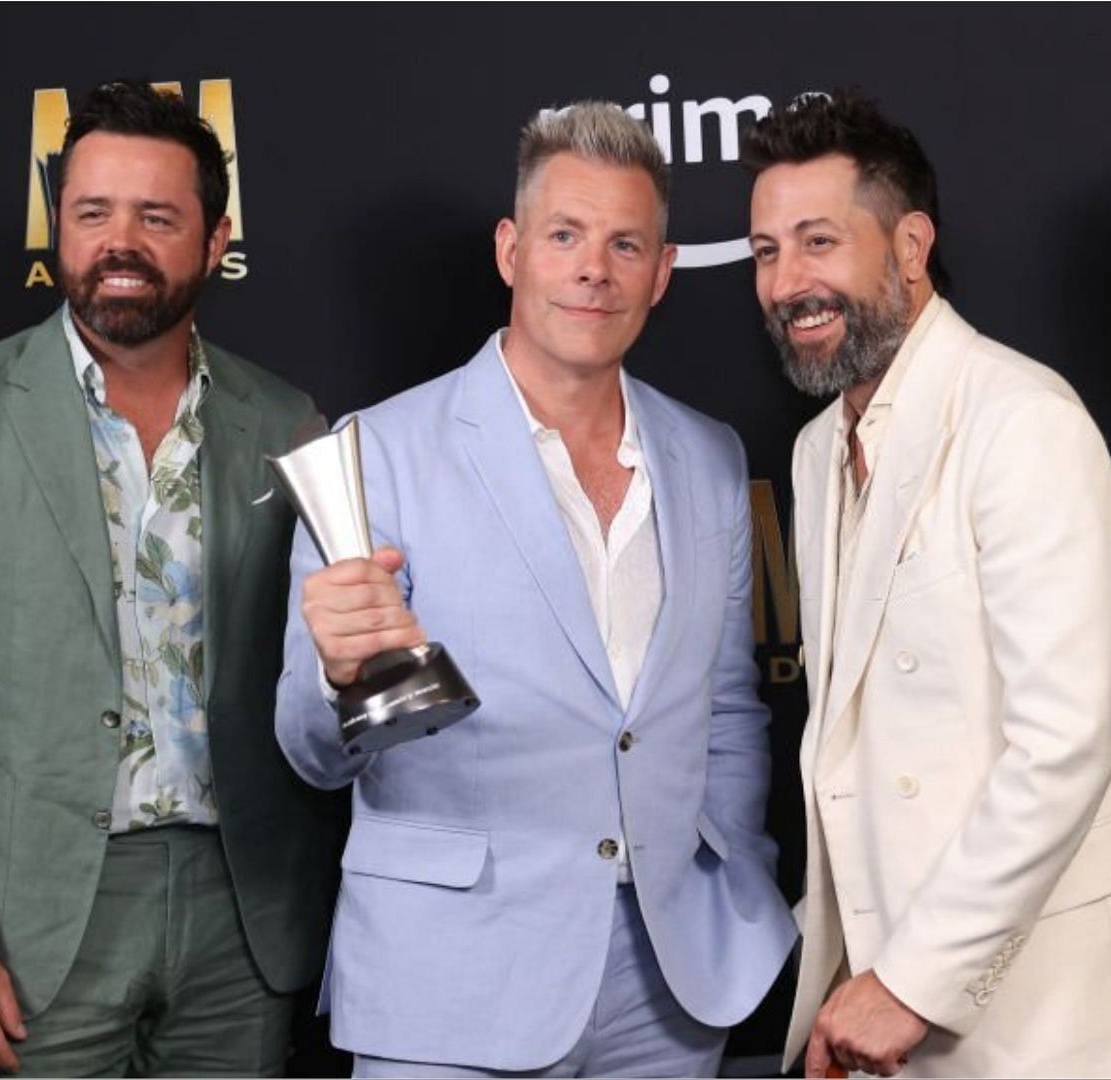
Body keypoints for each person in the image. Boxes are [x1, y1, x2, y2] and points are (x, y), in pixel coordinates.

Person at [275, 102, 795, 1079]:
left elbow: (729, 708)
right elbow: (310, 751)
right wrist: (338, 675)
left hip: (672, 986)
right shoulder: (377, 453)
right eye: (565, 236)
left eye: (624, 243)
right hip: (450, 989)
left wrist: (738, 875)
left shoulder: (710, 458)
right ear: (512, 252)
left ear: (662, 271)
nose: (593, 269)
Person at [0, 80, 338, 1077]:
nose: (121, 242)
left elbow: (319, 681)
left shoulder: (288, 422)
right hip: (31, 920)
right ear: (58, 232)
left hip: (243, 916)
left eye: (157, 217)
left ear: (214, 240)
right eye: (92, 214)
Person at [744, 91, 1111, 1079]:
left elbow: (1061, 747)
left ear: (909, 245)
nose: (787, 282)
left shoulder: (1020, 421)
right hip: (887, 1005)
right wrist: (857, 975)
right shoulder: (819, 452)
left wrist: (911, 982)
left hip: (1046, 1014)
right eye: (766, 251)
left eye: (820, 241)